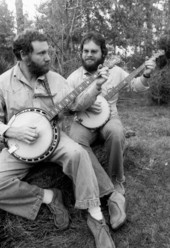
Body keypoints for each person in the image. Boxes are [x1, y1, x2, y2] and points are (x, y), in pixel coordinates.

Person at [0, 29, 127, 248]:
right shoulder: (3, 82)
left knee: (78, 153)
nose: (48, 57)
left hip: (56, 140)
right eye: (41, 53)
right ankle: (49, 197)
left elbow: (77, 104)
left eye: (48, 52)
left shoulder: (56, 80)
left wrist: (96, 87)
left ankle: (96, 216)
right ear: (23, 55)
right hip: (19, 148)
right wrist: (9, 132)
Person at [67, 31, 156, 195]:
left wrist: (146, 74)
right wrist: (83, 104)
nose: (89, 55)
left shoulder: (115, 71)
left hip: (110, 117)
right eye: (85, 51)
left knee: (116, 132)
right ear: (81, 53)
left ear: (103, 53)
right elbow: (68, 106)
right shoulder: (73, 78)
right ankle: (103, 185)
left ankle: (116, 181)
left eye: (94, 51)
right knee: (75, 142)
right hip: (83, 121)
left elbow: (135, 86)